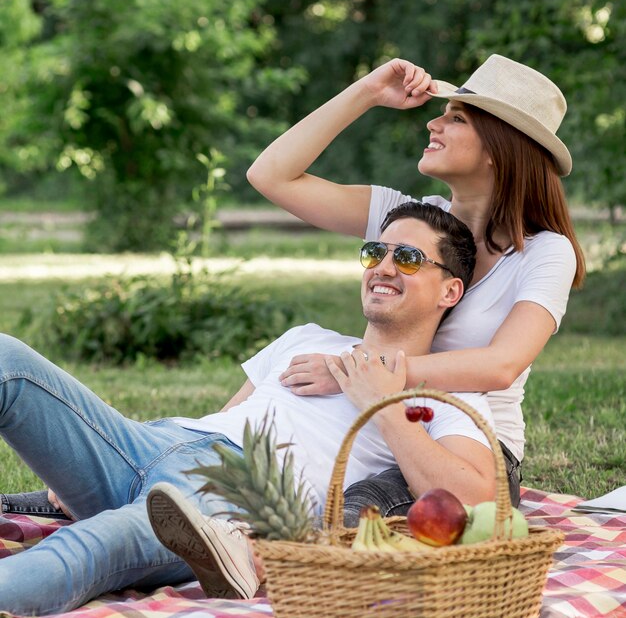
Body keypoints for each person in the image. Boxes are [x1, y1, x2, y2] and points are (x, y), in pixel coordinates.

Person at [0, 203, 491, 614]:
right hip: (158, 445)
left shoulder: (449, 392)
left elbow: (473, 497)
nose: (382, 268)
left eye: (406, 258)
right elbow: (225, 420)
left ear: (450, 290)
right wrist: (88, 452)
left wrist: (382, 401)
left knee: (94, 543)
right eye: (374, 253)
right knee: (8, 359)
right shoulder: (306, 338)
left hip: (237, 497)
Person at [246, 53, 586, 522]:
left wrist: (358, 371)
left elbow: (501, 365)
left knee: (351, 514)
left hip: (467, 446)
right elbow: (270, 175)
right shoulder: (408, 222)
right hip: (376, 423)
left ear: (498, 148)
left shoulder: (545, 251)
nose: (433, 124)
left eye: (456, 118)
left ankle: (274, 564)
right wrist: (367, 92)